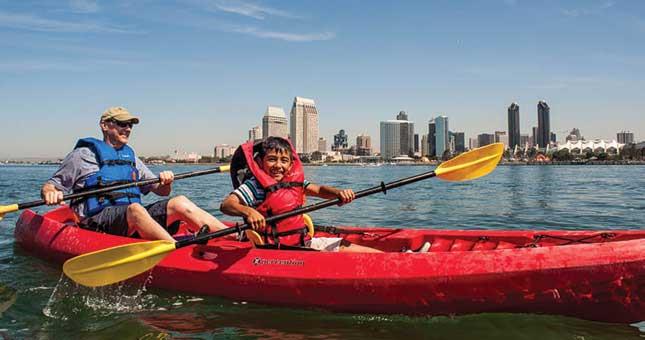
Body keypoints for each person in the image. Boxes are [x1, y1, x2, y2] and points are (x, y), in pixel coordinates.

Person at [40, 106, 228, 241]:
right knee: (136, 210)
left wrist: (166, 182)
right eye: (122, 124)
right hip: (97, 222)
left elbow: (162, 192)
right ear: (104, 125)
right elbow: (51, 185)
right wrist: (50, 192)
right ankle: (174, 248)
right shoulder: (82, 155)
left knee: (179, 202)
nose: (128, 128)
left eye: (130, 124)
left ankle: (237, 236)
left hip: (131, 219)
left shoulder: (131, 157)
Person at [221, 137, 386, 252]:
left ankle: (399, 257)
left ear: (291, 164)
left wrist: (339, 193)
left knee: (344, 245)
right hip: (276, 249)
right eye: (272, 159)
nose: (278, 165)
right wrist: (249, 212)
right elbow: (227, 205)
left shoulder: (294, 182)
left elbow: (319, 190)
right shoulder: (254, 186)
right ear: (260, 162)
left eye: (284, 161)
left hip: (302, 242)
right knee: (334, 253)